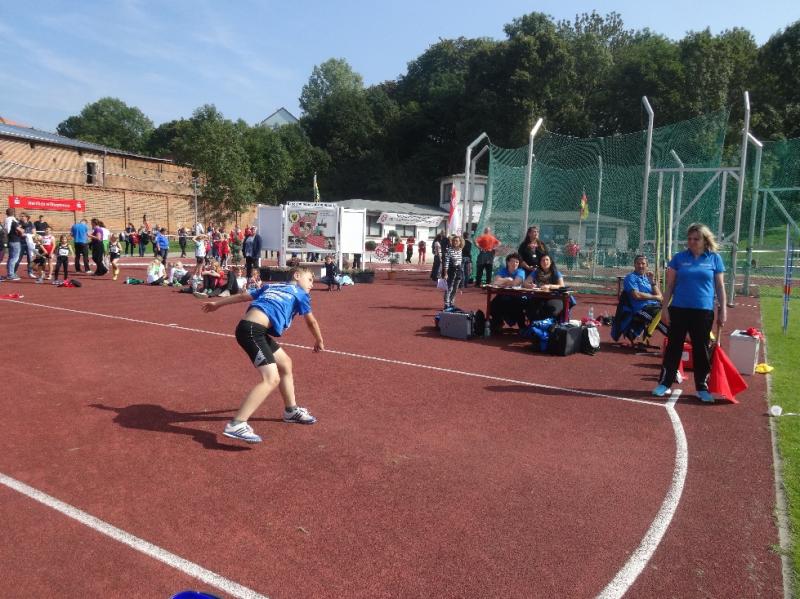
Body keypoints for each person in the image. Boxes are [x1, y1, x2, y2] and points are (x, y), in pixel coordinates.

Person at [200, 266, 324, 443]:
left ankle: (291, 410)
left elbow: (243, 296)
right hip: (252, 331)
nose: (312, 283)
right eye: (310, 279)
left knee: (285, 363)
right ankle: (237, 424)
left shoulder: (272, 286)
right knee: (271, 379)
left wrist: (217, 304)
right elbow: (311, 321)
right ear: (297, 276)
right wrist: (319, 340)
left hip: (252, 329)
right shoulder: (300, 294)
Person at [652, 223, 727, 402]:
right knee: (673, 347)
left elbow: (720, 286)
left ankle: (702, 387)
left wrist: (722, 310)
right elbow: (670, 286)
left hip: (703, 311)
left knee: (701, 349)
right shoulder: (679, 258)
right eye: (690, 239)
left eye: (696, 239)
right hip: (679, 309)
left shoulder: (714, 259)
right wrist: (664, 309)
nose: (692, 242)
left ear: (705, 240)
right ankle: (665, 383)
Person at [611, 255, 668, 345]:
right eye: (638, 263)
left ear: (647, 265)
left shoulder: (648, 278)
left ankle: (681, 335)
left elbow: (660, 296)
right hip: (642, 309)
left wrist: (652, 281)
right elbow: (636, 295)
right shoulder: (630, 278)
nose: (640, 266)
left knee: (671, 313)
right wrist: (654, 297)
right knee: (659, 317)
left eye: (643, 264)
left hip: (655, 306)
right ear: (634, 265)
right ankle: (675, 337)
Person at [489, 253, 526, 333]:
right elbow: (495, 282)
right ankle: (498, 323)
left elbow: (515, 283)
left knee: (517, 306)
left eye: (517, 262)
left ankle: (522, 327)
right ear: (508, 262)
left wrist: (503, 281)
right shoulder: (503, 270)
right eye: (512, 261)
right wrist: (508, 279)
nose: (514, 264)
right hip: (503, 294)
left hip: (517, 296)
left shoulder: (521, 271)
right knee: (493, 305)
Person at [523, 254, 566, 321]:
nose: (545, 262)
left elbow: (562, 286)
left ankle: (550, 325)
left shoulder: (556, 273)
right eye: (543, 260)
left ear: (550, 262)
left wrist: (549, 286)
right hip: (539, 296)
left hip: (554, 297)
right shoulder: (536, 272)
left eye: (547, 260)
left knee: (551, 309)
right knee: (530, 309)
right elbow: (525, 283)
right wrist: (530, 286)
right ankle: (535, 325)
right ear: (540, 263)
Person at [442, 234, 464, 310]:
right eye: (454, 241)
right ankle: (446, 304)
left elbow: (460, 262)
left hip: (459, 271)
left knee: (455, 288)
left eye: (457, 241)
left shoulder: (460, 250)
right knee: (449, 288)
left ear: (460, 242)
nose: (455, 242)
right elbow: (446, 262)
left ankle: (451, 303)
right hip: (451, 271)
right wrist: (445, 273)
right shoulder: (449, 250)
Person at [4, 208, 22, 280]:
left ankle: (9, 273)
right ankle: (11, 274)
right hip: (15, 241)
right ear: (13, 213)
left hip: (10, 241)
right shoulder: (13, 221)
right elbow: (20, 230)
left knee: (11, 258)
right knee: (14, 258)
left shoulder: (6, 221)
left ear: (6, 213)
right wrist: (23, 231)